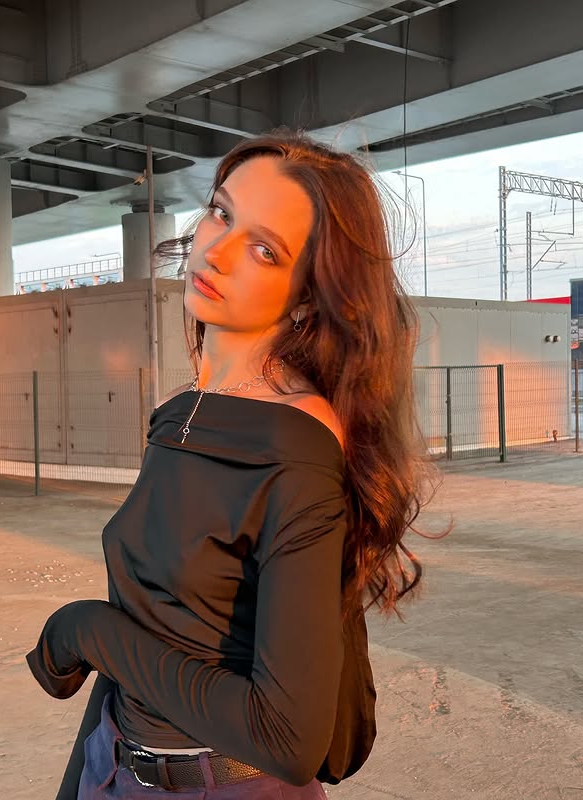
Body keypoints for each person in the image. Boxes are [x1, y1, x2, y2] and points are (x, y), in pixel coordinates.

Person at [26, 130, 426, 800]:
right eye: (221, 212)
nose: (216, 250)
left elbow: (288, 739)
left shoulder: (295, 449)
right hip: (119, 763)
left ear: (308, 295)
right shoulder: (182, 411)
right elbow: (156, 617)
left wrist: (87, 631)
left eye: (265, 250)